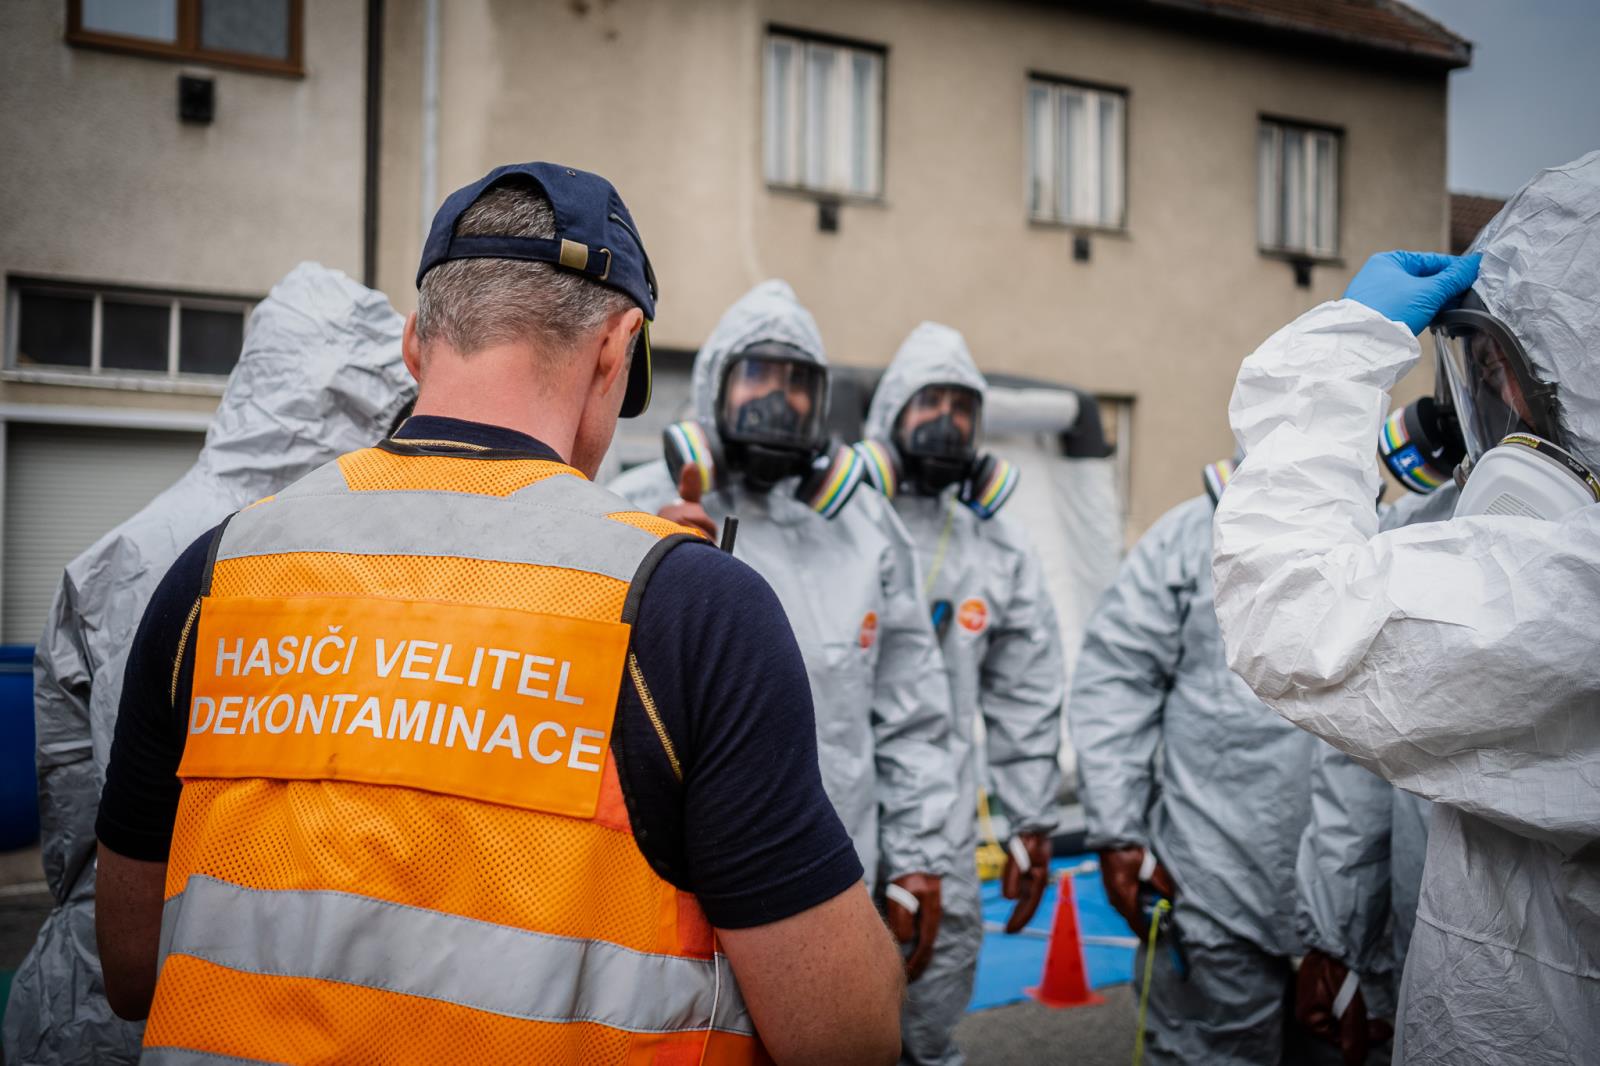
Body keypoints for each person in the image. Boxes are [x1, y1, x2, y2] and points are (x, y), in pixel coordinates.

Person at [92, 164, 904, 1065]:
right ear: (616, 347)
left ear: (415, 343)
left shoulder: (215, 572)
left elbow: (129, 967)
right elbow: (846, 1038)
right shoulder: (689, 607)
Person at [1213, 152, 1600, 1064]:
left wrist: (1344, 346)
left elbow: (1292, 612)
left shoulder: (1570, 590)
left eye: (1499, 368)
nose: (1495, 404)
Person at [2, 263, 416, 1066]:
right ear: (361, 398)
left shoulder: (113, 555)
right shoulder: (332, 565)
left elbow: (70, 795)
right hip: (246, 989)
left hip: (85, 987)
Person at [608, 280, 959, 985]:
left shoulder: (864, 529)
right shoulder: (635, 510)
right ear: (715, 386)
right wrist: (641, 571)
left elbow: (914, 713)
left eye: (800, 383)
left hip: (826, 893)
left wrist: (920, 855)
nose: (781, 398)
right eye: (760, 374)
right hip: (662, 900)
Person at [853, 322, 1065, 1066]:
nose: (947, 421)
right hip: (832, 806)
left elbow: (1026, 687)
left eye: (962, 406)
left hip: (942, 816)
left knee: (931, 1000)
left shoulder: (996, 543)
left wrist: (1031, 816)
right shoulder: (836, 516)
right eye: (929, 401)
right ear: (891, 414)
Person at [1069, 455, 1318, 1065]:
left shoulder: (1385, 537)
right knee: (1206, 1051)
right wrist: (1118, 830)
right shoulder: (1188, 539)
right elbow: (1117, 681)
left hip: (1349, 890)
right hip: (1206, 876)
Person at [1292, 484, 1457, 1064]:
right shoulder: (1417, 531)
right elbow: (1356, 758)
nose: (1508, 391)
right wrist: (1340, 942)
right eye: (1487, 383)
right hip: (1434, 946)